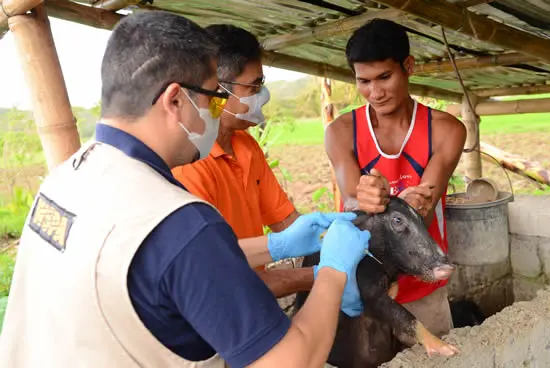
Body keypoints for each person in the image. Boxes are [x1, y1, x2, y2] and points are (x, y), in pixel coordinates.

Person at [0, 11, 371, 368]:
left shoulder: (66, 178)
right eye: (212, 97)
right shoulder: (178, 221)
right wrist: (333, 272)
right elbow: (291, 361)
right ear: (175, 100)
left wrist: (275, 244)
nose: (215, 109)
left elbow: (163, 268)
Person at [325, 18, 467, 337]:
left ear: (409, 66)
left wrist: (391, 205)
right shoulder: (340, 132)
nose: (374, 92)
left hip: (423, 287)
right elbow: (352, 203)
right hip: (361, 288)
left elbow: (423, 208)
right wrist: (367, 198)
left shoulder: (447, 130)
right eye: (364, 81)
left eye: (384, 77)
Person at [172, 24, 313, 298]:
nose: (263, 95)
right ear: (218, 90)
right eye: (254, 86)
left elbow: (287, 222)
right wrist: (321, 276)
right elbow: (218, 267)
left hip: (255, 295)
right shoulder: (188, 165)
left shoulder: (246, 145)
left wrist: (332, 232)